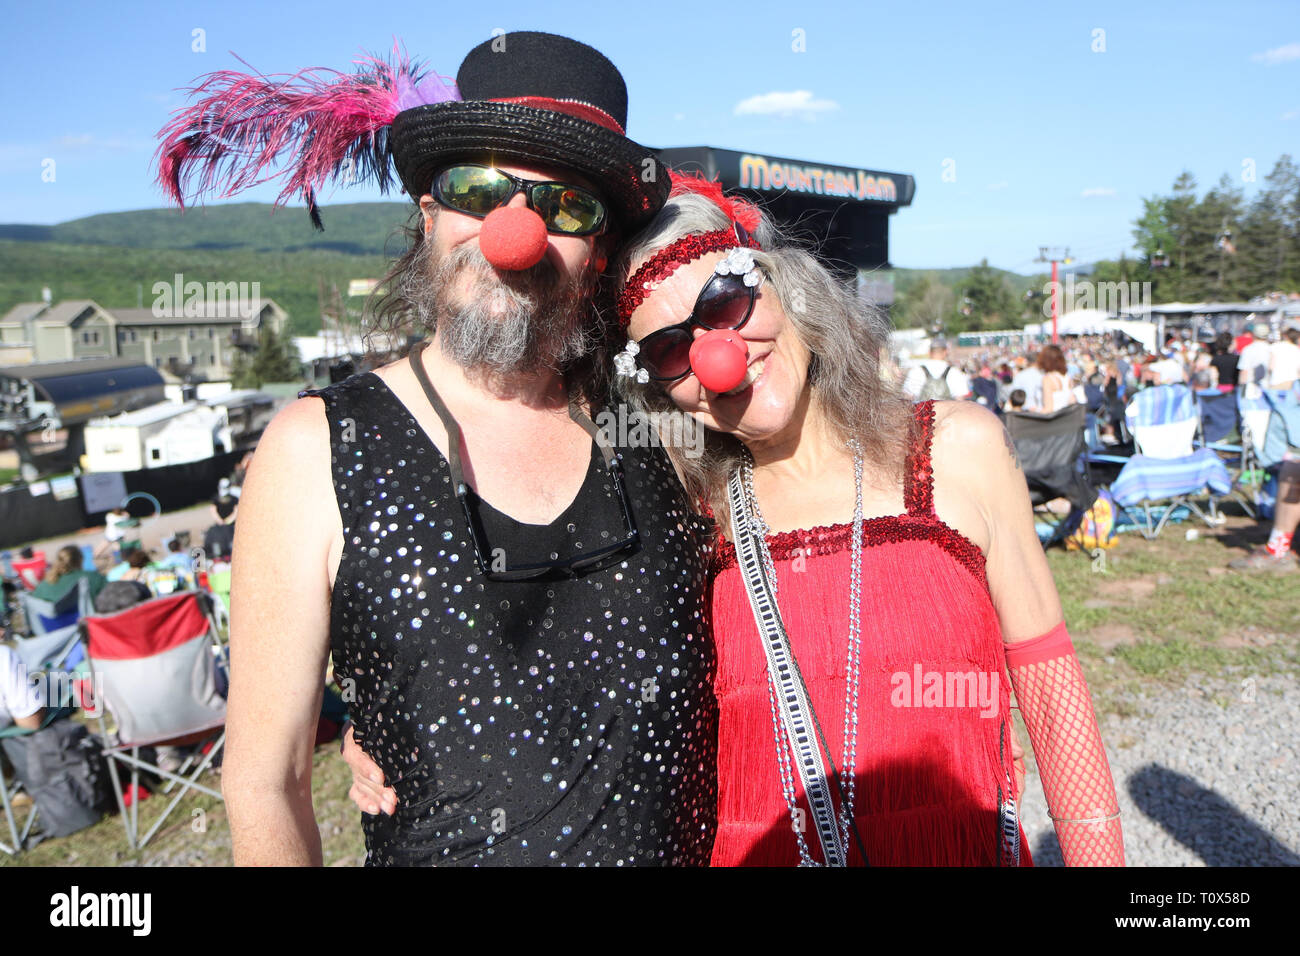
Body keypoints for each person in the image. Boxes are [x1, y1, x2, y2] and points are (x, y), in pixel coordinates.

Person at [349, 181, 1123, 866]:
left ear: (787, 290)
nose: (718, 355)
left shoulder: (956, 449)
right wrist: (389, 718)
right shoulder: (688, 507)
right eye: (669, 350)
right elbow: (543, 647)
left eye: (726, 301)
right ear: (656, 388)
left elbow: (1052, 690)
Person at [159, 32, 716, 866]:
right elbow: (265, 784)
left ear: (597, 251)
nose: (515, 233)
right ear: (429, 217)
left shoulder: (669, 428)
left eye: (566, 206)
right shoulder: (314, 451)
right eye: (479, 189)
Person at [30, 545, 106, 608]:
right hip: (86, 623)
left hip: (53, 625)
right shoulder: (93, 577)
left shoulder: (44, 585)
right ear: (80, 559)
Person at [902, 339, 970, 401]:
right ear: (946, 351)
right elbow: (960, 399)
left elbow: (908, 397)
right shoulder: (954, 372)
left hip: (923, 413)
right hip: (947, 412)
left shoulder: (916, 371)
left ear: (929, 352)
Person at [1038, 344, 1077, 412]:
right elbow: (1072, 401)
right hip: (1065, 418)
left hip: (1053, 419)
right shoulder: (1067, 377)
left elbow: (1049, 408)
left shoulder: (1048, 379)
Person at [1238, 322, 1272, 389]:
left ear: (1253, 334)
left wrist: (1241, 388)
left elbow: (1244, 371)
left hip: (1251, 388)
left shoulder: (1248, 349)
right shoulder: (1271, 349)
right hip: (1268, 388)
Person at [1267, 326, 1300, 391]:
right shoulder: (1296, 349)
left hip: (1276, 380)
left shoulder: (1275, 346)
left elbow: (1271, 366)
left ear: (1286, 336)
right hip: (1292, 382)